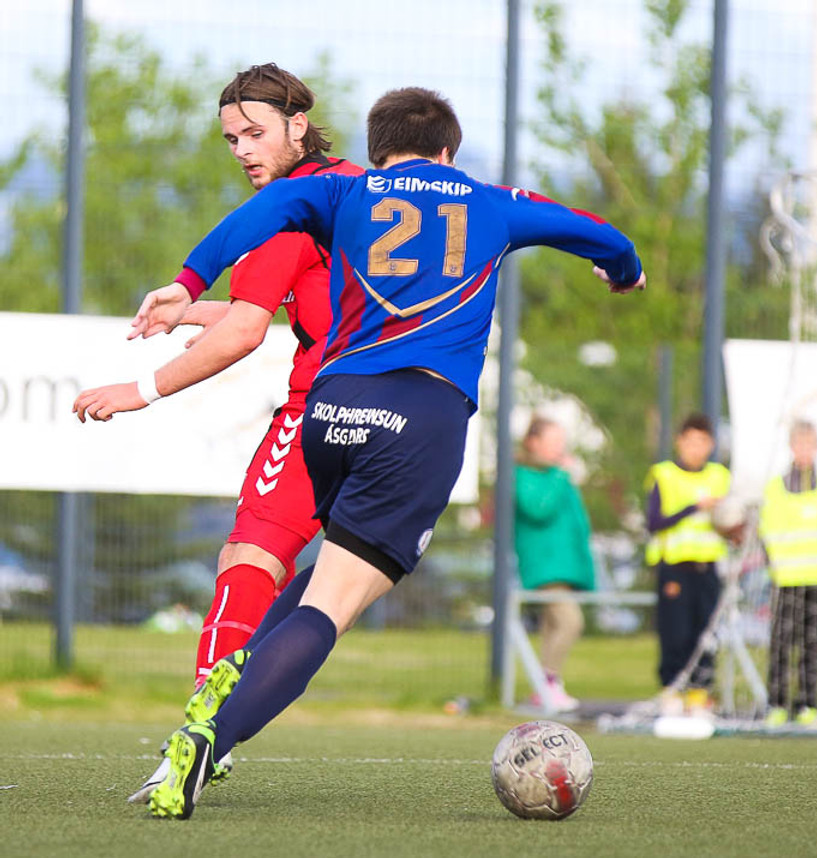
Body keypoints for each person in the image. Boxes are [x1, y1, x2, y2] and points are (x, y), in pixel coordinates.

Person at [90, 86, 644, 820]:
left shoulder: (341, 192)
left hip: (330, 409)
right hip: (419, 416)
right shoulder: (492, 202)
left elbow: (258, 215)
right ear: (447, 150)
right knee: (335, 603)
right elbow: (597, 232)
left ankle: (242, 667)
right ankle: (210, 738)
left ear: (378, 150)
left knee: (329, 573)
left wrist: (188, 280)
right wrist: (624, 270)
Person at [72, 63, 363, 796]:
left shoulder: (288, 208)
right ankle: (228, 716)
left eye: (254, 133)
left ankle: (205, 733)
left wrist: (139, 390)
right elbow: (291, 303)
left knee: (250, 558)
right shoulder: (363, 189)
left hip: (321, 410)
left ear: (299, 125)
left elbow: (244, 332)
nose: (242, 149)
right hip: (409, 417)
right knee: (344, 579)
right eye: (232, 138)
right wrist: (188, 312)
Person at [758, 419, 817, 727]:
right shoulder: (775, 488)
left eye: (810, 444)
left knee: (814, 644)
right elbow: (766, 531)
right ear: (791, 447)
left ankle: (808, 704)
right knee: (782, 644)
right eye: (800, 444)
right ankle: (777, 704)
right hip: (787, 578)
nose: (805, 450)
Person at [644, 412, 730, 713]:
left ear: (711, 444)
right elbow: (654, 522)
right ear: (680, 442)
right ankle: (672, 690)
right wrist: (694, 507)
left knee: (705, 634)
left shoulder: (720, 477)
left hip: (708, 568)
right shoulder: (664, 475)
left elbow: (730, 523)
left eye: (702, 442)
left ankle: (699, 693)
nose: (696, 448)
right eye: (690, 441)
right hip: (676, 568)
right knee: (675, 633)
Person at [514, 415, 594, 713]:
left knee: (552, 626)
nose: (560, 448)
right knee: (571, 621)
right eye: (554, 442)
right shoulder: (524, 474)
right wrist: (561, 475)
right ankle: (547, 683)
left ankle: (545, 689)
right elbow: (538, 509)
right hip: (545, 566)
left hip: (565, 566)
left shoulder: (557, 476)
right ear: (533, 442)